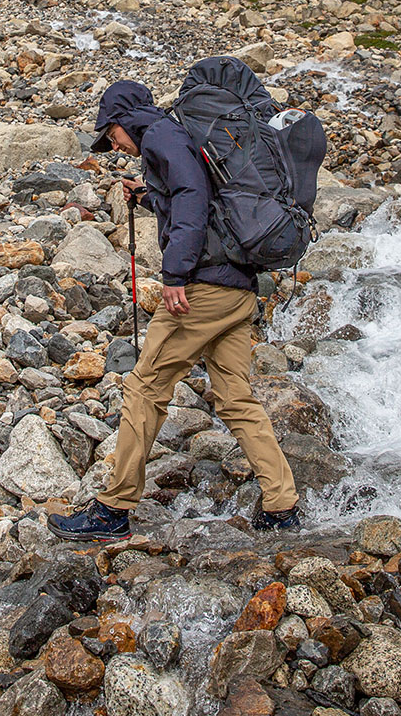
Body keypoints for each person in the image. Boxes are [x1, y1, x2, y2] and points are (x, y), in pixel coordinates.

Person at [48, 80, 301, 541]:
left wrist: (175, 275)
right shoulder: (178, 135)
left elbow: (192, 198)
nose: (115, 146)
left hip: (201, 290)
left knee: (145, 388)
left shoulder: (161, 135)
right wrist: (147, 196)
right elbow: (198, 193)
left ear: (124, 120)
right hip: (237, 288)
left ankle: (114, 509)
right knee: (235, 398)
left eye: (112, 135)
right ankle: (282, 504)